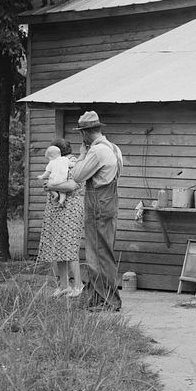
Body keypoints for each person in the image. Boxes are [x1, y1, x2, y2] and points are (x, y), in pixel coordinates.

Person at [68, 111, 124, 312]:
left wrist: (82, 153)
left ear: (85, 133)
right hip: (109, 204)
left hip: (98, 206)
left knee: (98, 254)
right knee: (102, 252)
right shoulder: (114, 148)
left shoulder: (96, 151)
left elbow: (76, 175)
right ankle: (95, 298)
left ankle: (109, 301)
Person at [37, 139, 85, 298]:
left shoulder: (75, 163)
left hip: (70, 207)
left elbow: (72, 186)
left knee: (69, 245)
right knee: (57, 246)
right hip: (56, 207)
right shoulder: (56, 163)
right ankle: (64, 286)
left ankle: (78, 285)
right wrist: (48, 185)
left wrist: (50, 186)